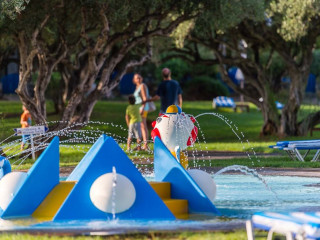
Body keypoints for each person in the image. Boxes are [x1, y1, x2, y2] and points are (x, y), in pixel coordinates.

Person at [132, 73, 150, 150]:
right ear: (134, 80)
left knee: (142, 126)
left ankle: (145, 145)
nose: (138, 79)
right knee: (140, 126)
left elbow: (145, 98)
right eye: (137, 78)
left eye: (139, 77)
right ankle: (139, 145)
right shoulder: (137, 87)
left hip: (142, 108)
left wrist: (142, 107)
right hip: (138, 108)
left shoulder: (142, 86)